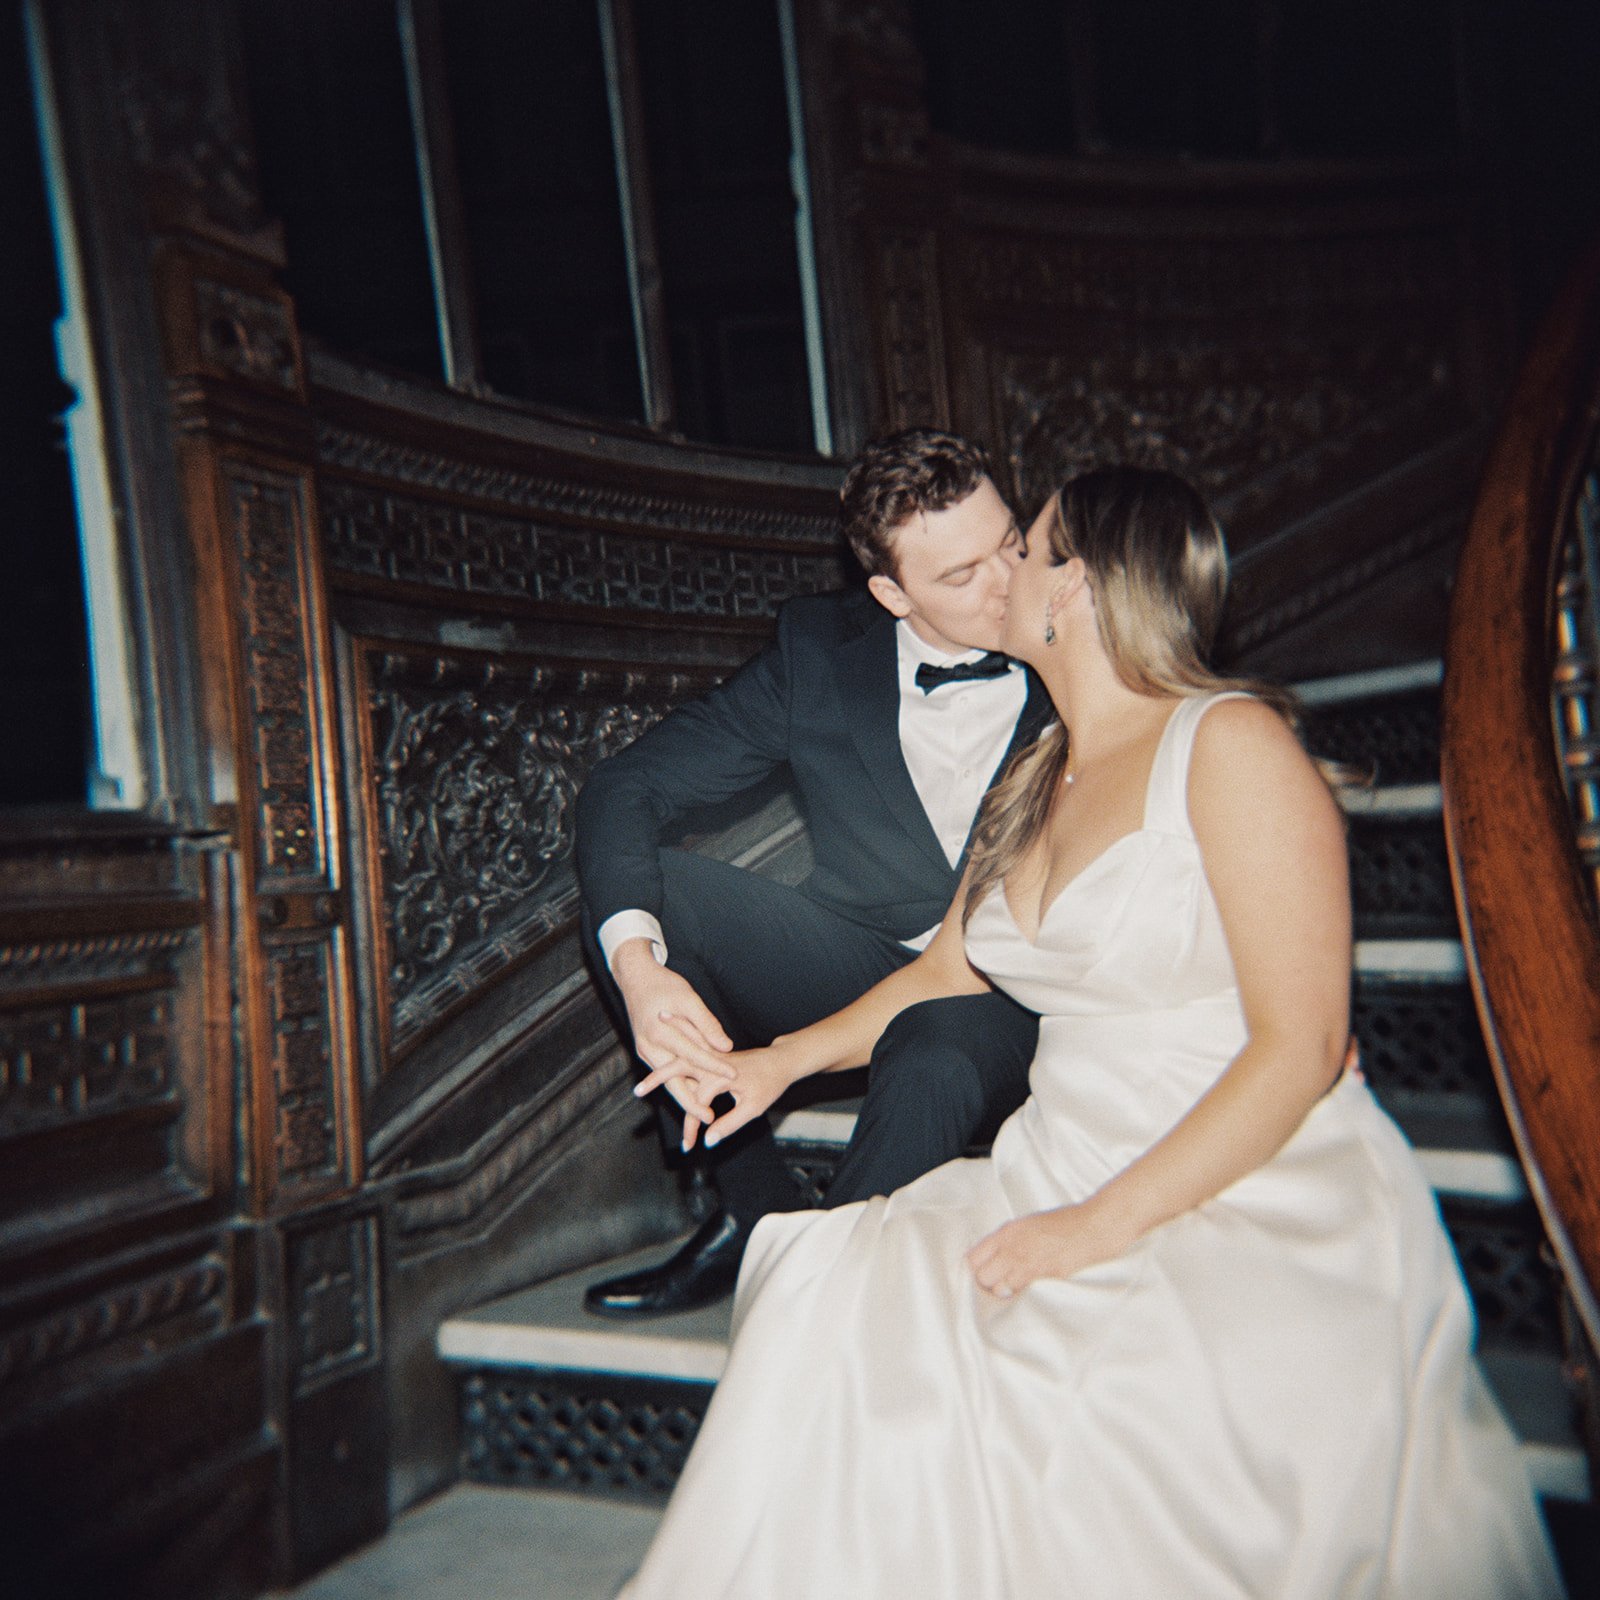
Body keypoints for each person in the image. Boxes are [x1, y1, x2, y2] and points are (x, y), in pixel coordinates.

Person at [616, 467, 1564, 1598]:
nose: (1004, 571)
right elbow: (946, 970)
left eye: (1025, 547)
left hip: (1238, 1174)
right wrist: (773, 1064)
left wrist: (1087, 1231)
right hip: (1055, 1153)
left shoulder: (1230, 741)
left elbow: (1303, 1048)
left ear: (1078, 586)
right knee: (829, 1297)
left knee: (1087, 1434)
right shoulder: (1036, 775)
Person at [577, 429, 1053, 1317]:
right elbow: (625, 788)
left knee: (936, 1050)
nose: (1009, 584)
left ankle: (818, 1312)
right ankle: (751, 1209)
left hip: (1009, 986)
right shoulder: (820, 654)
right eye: (962, 575)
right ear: (890, 594)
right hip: (861, 952)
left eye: (1011, 545)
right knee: (651, 900)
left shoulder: (1083, 631)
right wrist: (641, 976)